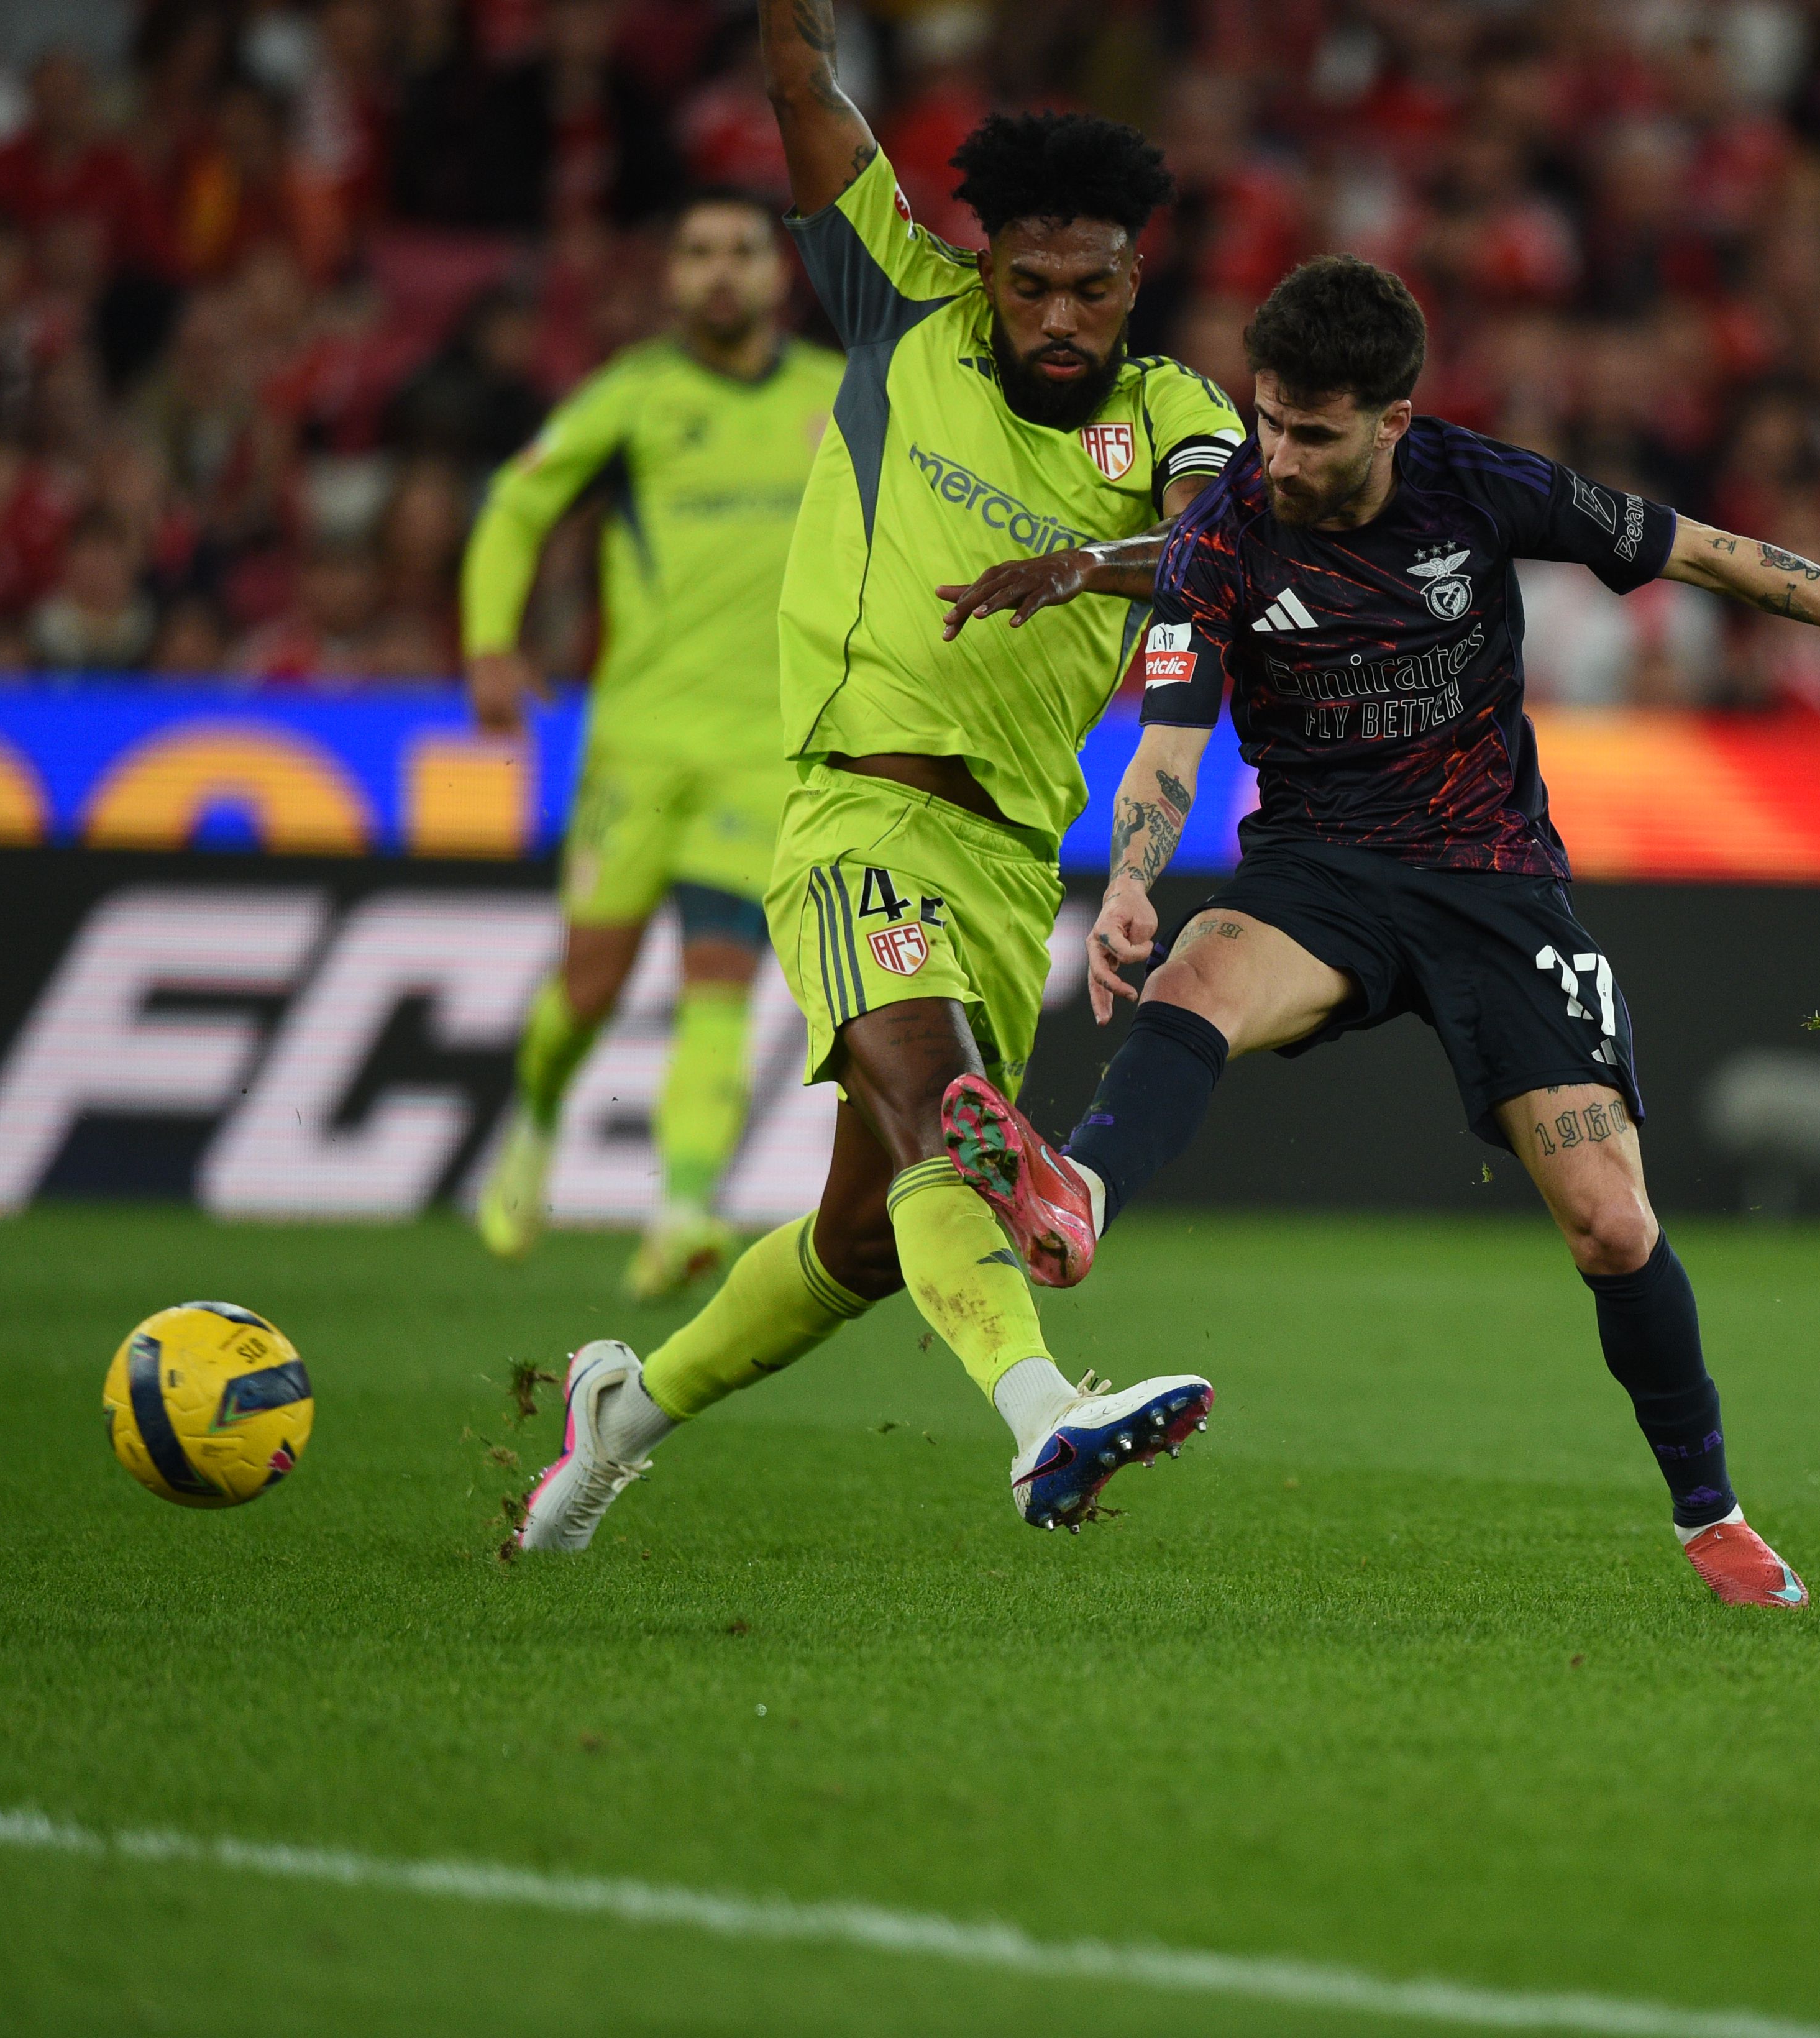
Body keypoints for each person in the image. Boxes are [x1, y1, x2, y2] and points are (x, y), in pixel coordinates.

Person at [1010, 256, 1820, 1605]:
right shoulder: (1222, 537)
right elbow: (1168, 745)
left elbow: (1709, 552)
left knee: (1614, 1226)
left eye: (1313, 433)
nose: (1277, 456)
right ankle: (1080, 1195)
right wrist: (1134, 880)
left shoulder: (1477, 484)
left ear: (1392, 420)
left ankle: (1712, 1517)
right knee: (1198, 972)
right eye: (1266, 420)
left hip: (1495, 887)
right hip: (1320, 871)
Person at [510, 0, 1245, 1553]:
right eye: (1029, 283)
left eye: (1092, 287)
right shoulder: (900, 307)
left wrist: (1084, 564)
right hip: (858, 808)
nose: (1059, 315)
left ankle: (615, 1417)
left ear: (1136, 280)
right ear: (984, 269)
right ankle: (1044, 1420)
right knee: (942, 1108)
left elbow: (1215, 542)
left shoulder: (1175, 409)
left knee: (865, 1231)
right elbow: (803, 81)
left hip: (1007, 867)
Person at [464, 190, 843, 1300]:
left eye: (742, 251)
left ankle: (683, 1208)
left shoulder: (839, 399)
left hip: (769, 745)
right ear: (671, 276)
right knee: (590, 983)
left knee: (720, 972)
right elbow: (515, 505)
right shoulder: (631, 398)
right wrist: (490, 644)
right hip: (638, 741)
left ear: (777, 274)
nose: (721, 270)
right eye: (698, 251)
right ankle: (536, 1120)